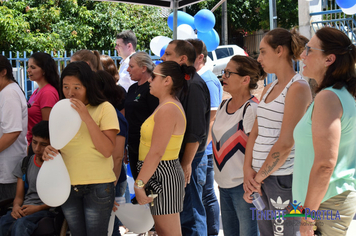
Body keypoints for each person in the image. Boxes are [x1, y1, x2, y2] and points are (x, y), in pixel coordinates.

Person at [243, 28, 312, 236]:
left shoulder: (298, 87)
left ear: (279, 50)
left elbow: (286, 142)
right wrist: (248, 170)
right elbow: (255, 133)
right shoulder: (269, 87)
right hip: (261, 178)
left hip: (281, 179)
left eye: (263, 52)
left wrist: (257, 178)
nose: (259, 58)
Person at [43, 61, 120, 236]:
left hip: (98, 186)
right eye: (66, 87)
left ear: (88, 86)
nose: (70, 93)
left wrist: (86, 117)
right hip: (68, 186)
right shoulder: (61, 111)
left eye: (77, 87)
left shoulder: (104, 108)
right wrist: (50, 151)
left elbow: (107, 150)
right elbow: (60, 146)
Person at [293, 27, 356, 236]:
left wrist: (307, 218)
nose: (303, 54)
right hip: (323, 202)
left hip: (325, 206)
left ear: (329, 59)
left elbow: (324, 165)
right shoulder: (336, 95)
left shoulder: (328, 98)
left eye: (309, 49)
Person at [134, 61, 193, 236]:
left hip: (163, 173)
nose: (150, 80)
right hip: (159, 172)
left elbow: (156, 152)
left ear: (167, 80)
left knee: (169, 233)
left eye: (153, 76)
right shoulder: (165, 106)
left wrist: (139, 185)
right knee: (163, 232)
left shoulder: (168, 109)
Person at [161, 40, 210, 236]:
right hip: (180, 159)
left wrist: (186, 163)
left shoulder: (194, 85)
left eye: (168, 54)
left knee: (191, 216)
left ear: (182, 59)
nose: (162, 58)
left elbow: (195, 131)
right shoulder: (181, 83)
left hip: (189, 159)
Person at [212, 55, 265, 236]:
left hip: (243, 188)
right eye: (224, 72)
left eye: (228, 73)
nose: (223, 76)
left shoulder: (251, 109)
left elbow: (257, 151)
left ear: (245, 79)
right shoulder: (223, 105)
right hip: (223, 185)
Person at [187, 38, 222, 236]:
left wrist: (200, 149)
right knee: (204, 195)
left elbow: (212, 118)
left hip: (202, 151)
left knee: (205, 197)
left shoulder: (207, 80)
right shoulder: (197, 79)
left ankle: (211, 232)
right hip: (200, 149)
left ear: (200, 56)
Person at [0, 121, 51, 236]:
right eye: (34, 142)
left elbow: (59, 200)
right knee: (3, 223)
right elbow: (19, 196)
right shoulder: (25, 163)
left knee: (21, 226)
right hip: (25, 208)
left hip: (46, 210)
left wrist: (37, 208)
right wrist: (16, 207)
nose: (37, 149)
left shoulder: (58, 166)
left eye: (43, 144)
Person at [95, 70, 129, 236]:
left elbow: (116, 157)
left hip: (111, 180)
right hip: (102, 181)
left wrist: (110, 187)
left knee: (110, 228)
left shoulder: (113, 115)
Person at [124, 52, 159, 180]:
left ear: (144, 68)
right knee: (137, 180)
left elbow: (156, 120)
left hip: (147, 147)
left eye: (131, 67)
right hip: (133, 146)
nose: (128, 70)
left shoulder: (152, 89)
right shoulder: (132, 88)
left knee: (146, 184)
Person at [0, 55, 28, 201]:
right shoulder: (7, 91)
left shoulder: (9, 93)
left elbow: (12, 132)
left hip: (7, 170)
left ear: (3, 72)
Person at [26, 52, 59, 154]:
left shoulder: (47, 93)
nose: (28, 70)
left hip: (40, 149)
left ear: (44, 70)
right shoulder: (37, 91)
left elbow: (47, 127)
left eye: (33, 67)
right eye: (28, 67)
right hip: (33, 144)